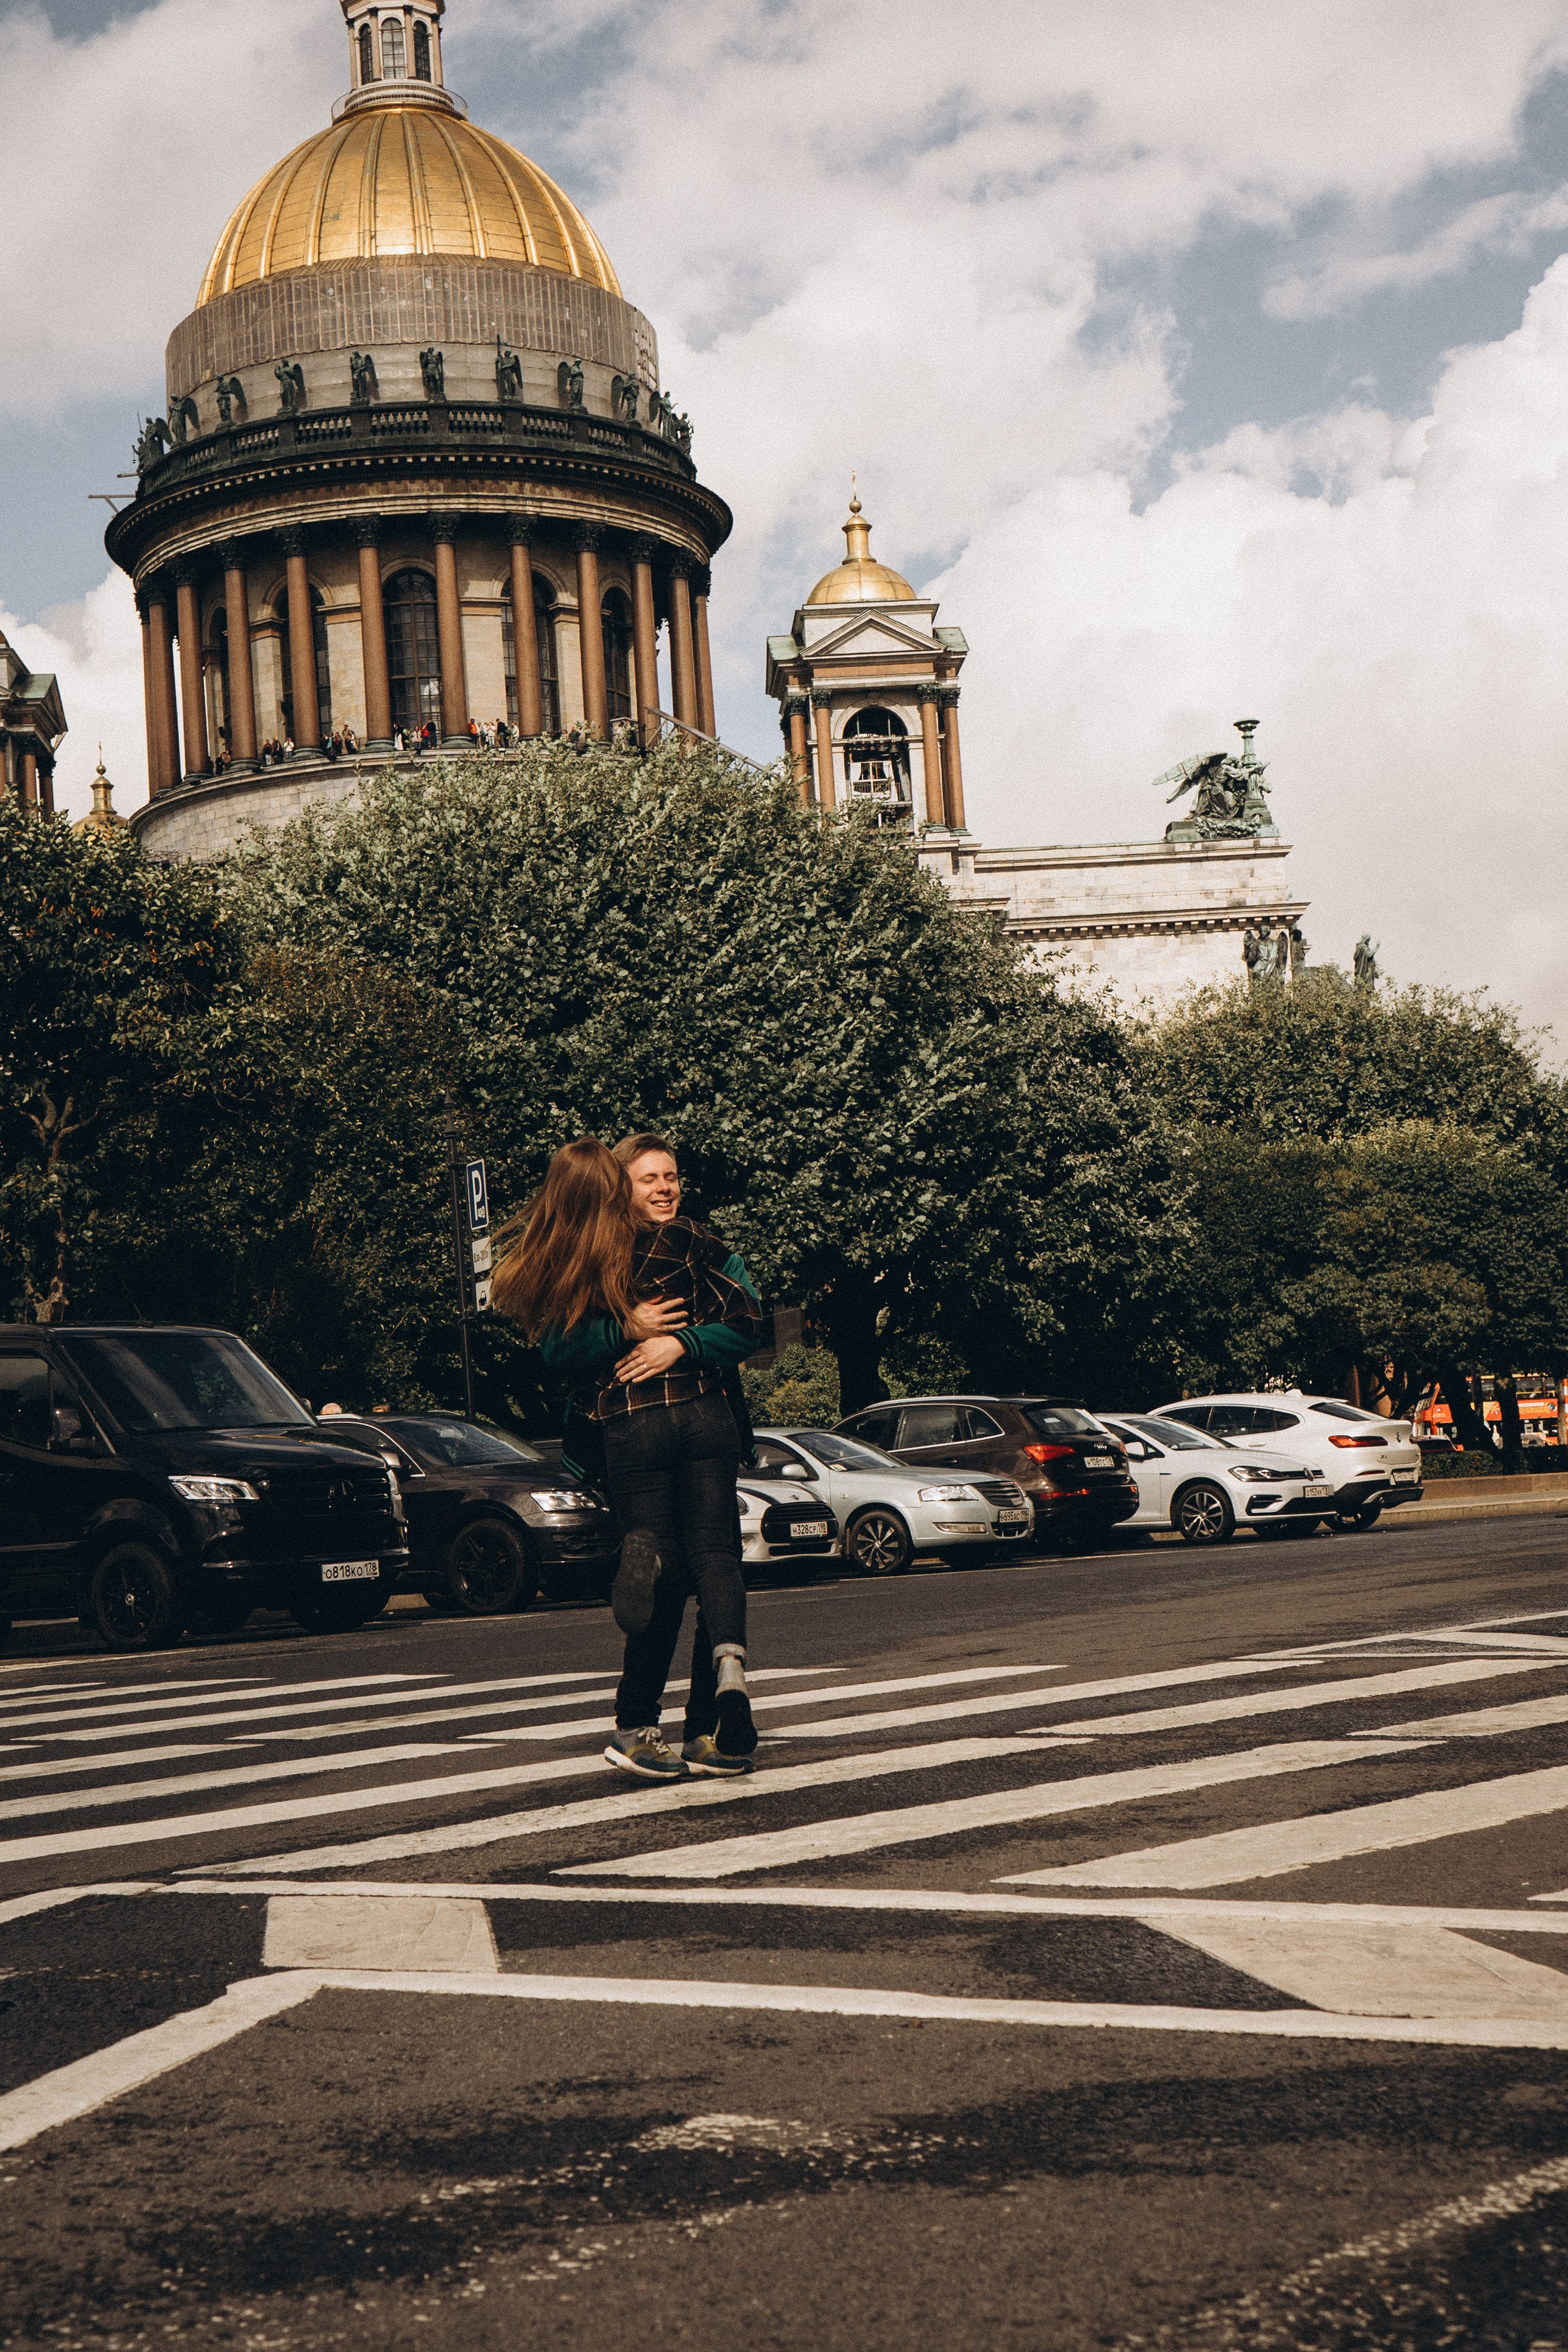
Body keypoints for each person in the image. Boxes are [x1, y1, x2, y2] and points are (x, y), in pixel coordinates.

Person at [492, 1136, 761, 1783]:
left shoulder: (643, 1248)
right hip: (687, 1423)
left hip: (651, 1427)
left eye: (672, 1175)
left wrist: (674, 1343)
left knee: (678, 1571)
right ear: (622, 1189)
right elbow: (751, 1324)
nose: (665, 1187)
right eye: (650, 1179)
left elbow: (556, 1347)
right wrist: (647, 1333)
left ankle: (668, 1722)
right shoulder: (642, 1251)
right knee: (713, 1562)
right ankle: (698, 1711)